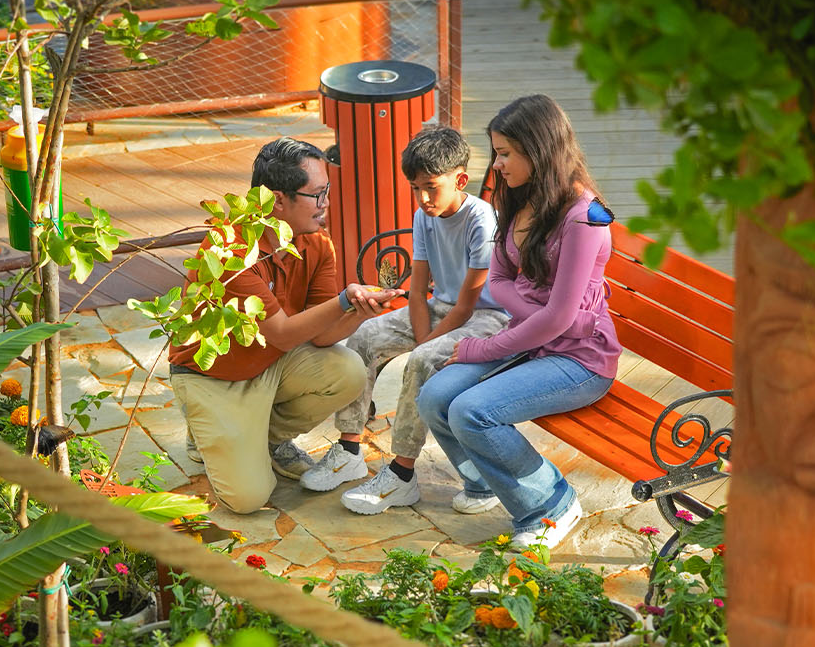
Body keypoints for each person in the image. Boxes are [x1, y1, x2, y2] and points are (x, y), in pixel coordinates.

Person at [415, 94, 620, 550]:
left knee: (472, 412)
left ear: (538, 149)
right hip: (537, 341)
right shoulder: (518, 197)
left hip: (581, 360)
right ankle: (486, 483)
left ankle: (551, 505)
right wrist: (543, 314)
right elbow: (501, 281)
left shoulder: (584, 218)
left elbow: (557, 319)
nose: (497, 164)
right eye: (497, 153)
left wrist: (488, 344)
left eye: (505, 153)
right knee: (434, 397)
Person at [168, 137, 400, 514]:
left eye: (327, 192)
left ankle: (267, 440)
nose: (326, 204)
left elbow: (320, 337)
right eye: (317, 195)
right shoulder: (229, 250)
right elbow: (282, 332)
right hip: (213, 377)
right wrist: (344, 299)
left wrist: (359, 311)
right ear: (277, 200)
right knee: (247, 499)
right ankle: (207, 431)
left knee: (348, 369)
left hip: (273, 363)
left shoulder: (316, 244)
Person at [297, 126, 513, 514]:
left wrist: (424, 345)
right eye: (416, 188)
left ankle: (402, 473)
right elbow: (417, 291)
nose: (423, 198)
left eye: (431, 187)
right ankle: (349, 448)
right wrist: (423, 333)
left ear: (460, 180)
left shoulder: (482, 220)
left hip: (487, 317)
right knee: (366, 335)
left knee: (422, 360)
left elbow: (467, 305)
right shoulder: (424, 216)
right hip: (440, 307)